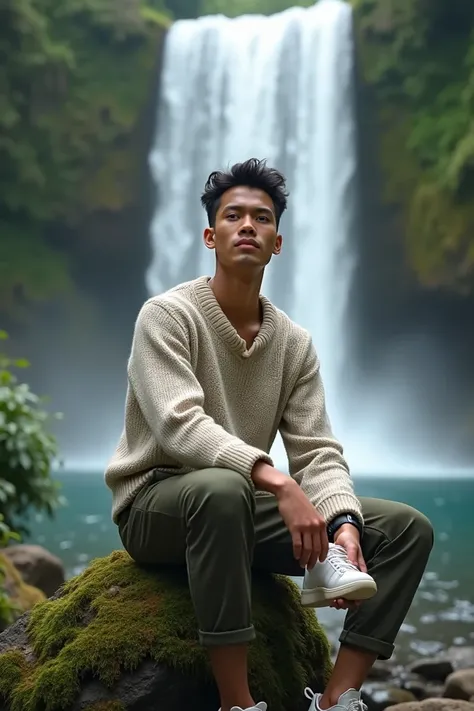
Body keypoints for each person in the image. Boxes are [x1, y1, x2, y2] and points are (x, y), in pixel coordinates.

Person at [104, 158, 434, 711]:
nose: (248, 226)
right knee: (222, 489)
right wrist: (277, 483)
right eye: (234, 216)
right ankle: (239, 703)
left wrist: (345, 522)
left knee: (405, 530)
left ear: (278, 242)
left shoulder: (294, 343)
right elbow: (180, 426)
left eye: (262, 217)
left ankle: (336, 698)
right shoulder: (165, 316)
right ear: (212, 235)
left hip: (237, 510)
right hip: (156, 506)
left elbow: (318, 450)